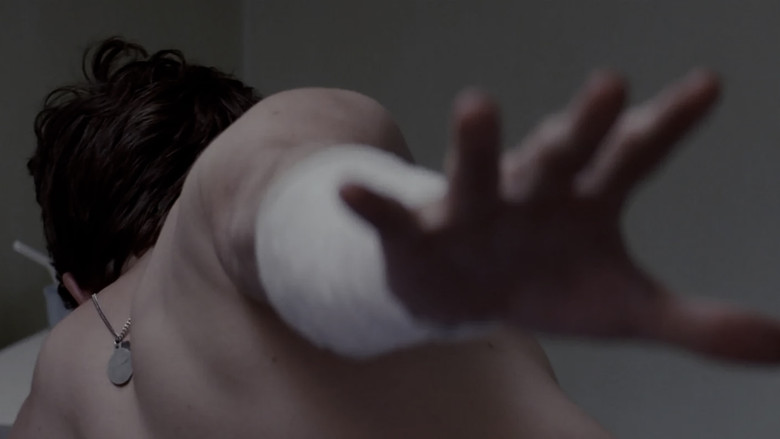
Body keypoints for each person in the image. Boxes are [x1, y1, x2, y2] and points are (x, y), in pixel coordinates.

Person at [10, 37, 780, 439]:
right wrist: (393, 263)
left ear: (70, 281)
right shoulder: (247, 178)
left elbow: (274, 194)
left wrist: (367, 265)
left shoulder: (69, 367)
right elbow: (275, 176)